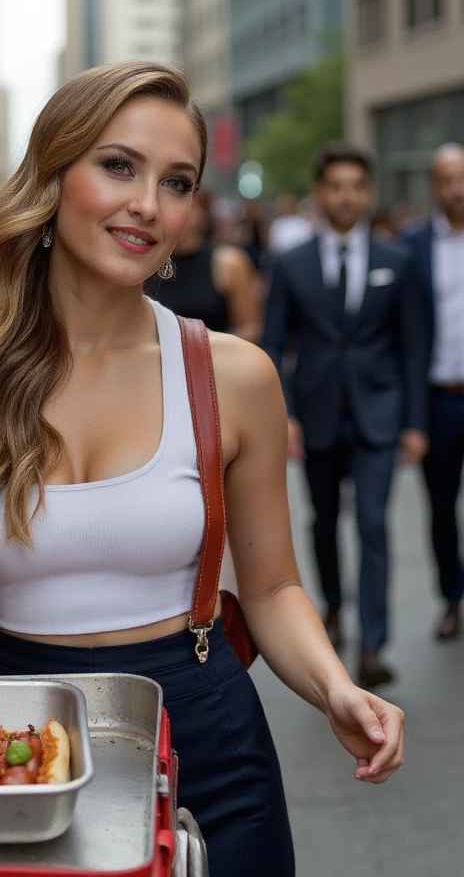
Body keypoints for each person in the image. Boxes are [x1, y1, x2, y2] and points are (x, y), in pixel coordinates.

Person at [0, 65, 404, 876]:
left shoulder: (233, 375)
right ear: (52, 175)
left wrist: (335, 688)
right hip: (18, 746)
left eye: (176, 182)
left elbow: (276, 587)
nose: (149, 202)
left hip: (210, 743)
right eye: (119, 166)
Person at [262, 142, 429, 688]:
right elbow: (272, 345)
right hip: (316, 417)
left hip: (378, 415)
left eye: (356, 186)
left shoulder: (397, 262)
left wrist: (414, 423)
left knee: (375, 525)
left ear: (368, 192)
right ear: (319, 193)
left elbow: (413, 348)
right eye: (335, 185)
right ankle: (333, 608)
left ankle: (374, 645)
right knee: (323, 522)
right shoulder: (290, 264)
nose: (346, 195)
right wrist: (283, 416)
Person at [403, 144, 464, 641]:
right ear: (434, 187)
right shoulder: (412, 247)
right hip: (439, 399)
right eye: (448, 179)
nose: (458, 189)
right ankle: (452, 598)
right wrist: (412, 417)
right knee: (441, 507)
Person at [145, 187, 260, 340]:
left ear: (204, 213)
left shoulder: (227, 262)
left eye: (191, 207)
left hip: (211, 360)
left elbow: (250, 327)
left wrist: (201, 350)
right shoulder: (144, 262)